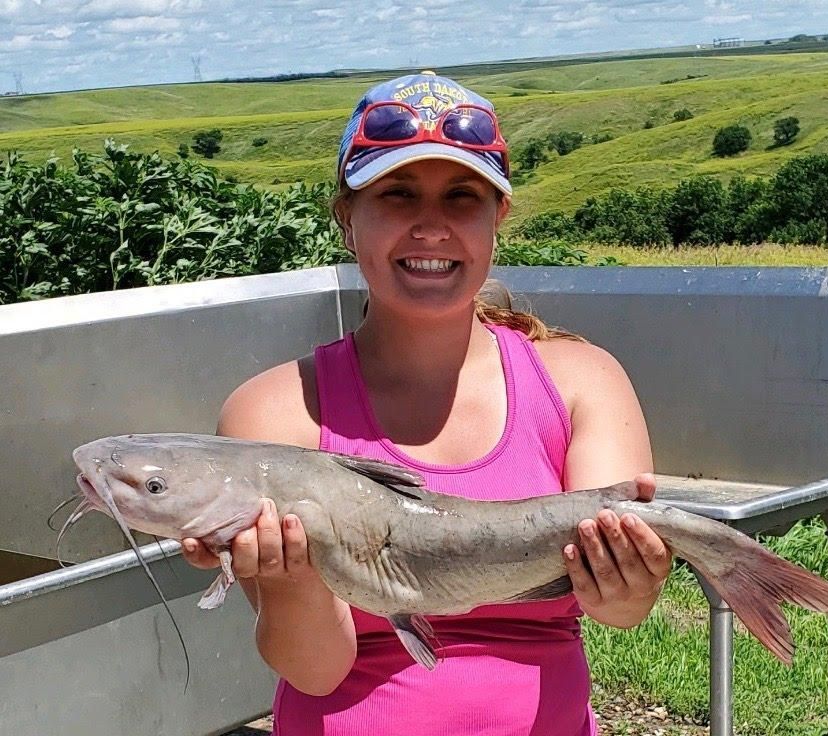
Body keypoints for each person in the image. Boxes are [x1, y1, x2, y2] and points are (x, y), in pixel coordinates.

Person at [182, 71, 671, 736]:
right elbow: (316, 671)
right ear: (347, 218)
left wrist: (631, 581)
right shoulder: (272, 415)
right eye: (398, 194)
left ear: (498, 218)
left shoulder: (583, 382)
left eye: (462, 197)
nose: (431, 227)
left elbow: (619, 610)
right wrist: (291, 581)